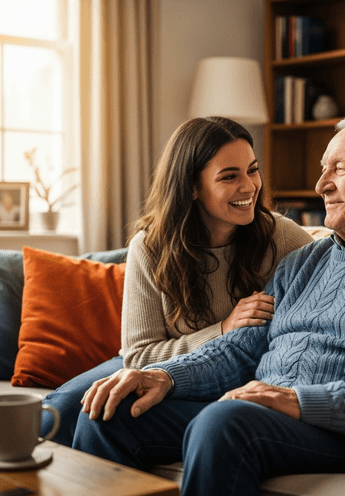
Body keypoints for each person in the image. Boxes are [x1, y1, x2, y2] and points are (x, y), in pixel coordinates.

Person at [73, 115, 345, 496]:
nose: (321, 185)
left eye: (339, 168)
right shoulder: (304, 260)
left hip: (333, 429)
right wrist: (163, 375)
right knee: (108, 413)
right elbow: (241, 349)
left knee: (223, 423)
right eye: (324, 169)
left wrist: (300, 401)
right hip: (257, 410)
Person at [40, 116, 313, 445]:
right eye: (230, 176)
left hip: (227, 376)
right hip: (151, 365)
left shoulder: (281, 237)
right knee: (54, 415)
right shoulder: (150, 247)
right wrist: (223, 328)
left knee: (106, 415)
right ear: (193, 187)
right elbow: (138, 356)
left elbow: (336, 276)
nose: (249, 186)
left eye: (252, 170)